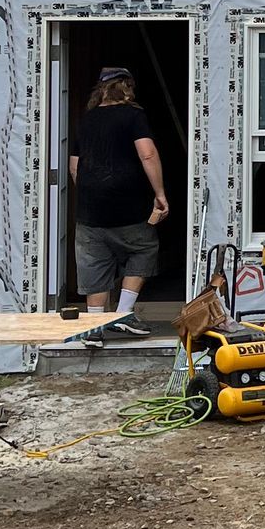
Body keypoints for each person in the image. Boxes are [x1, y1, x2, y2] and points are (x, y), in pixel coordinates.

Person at [69, 65, 168, 336]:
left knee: (94, 264)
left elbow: (75, 166)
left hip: (90, 211)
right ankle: (123, 314)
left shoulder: (86, 120)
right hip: (128, 206)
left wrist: (91, 193)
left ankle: (94, 328)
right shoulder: (133, 116)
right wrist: (159, 194)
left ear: (101, 90)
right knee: (144, 249)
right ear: (127, 88)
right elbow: (147, 154)